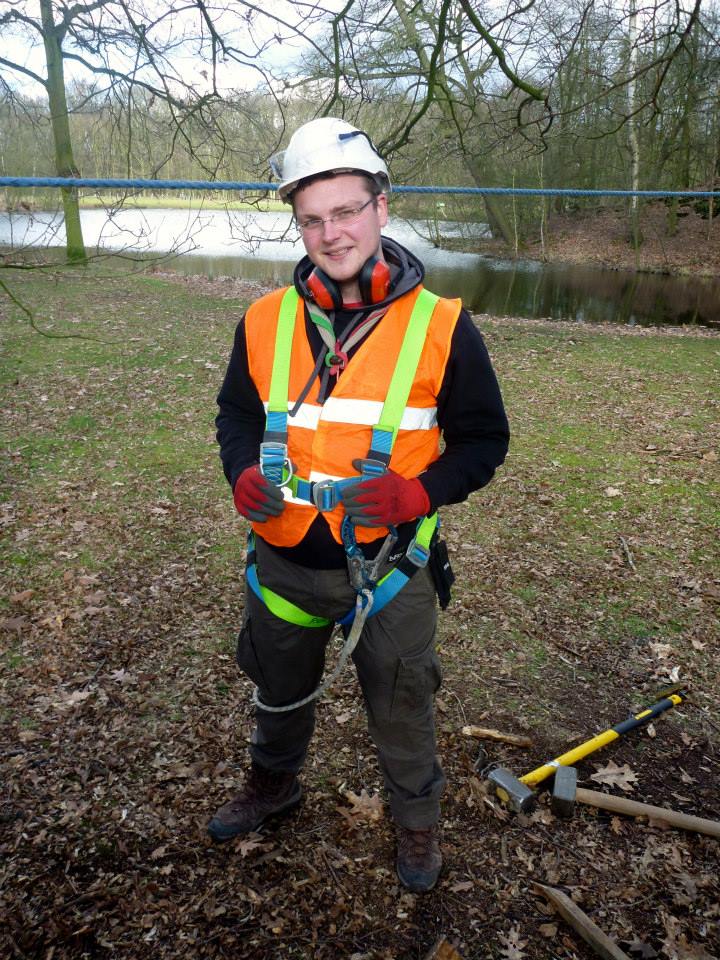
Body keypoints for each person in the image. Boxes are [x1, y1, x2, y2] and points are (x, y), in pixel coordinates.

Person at [209, 117, 509, 893]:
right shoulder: (264, 320)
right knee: (278, 689)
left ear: (381, 206)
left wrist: (419, 492)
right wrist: (240, 469)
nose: (331, 233)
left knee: (402, 701)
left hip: (391, 569)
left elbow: (485, 440)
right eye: (312, 219)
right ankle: (274, 784)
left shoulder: (442, 326)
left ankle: (417, 819)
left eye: (346, 211)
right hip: (282, 561)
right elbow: (236, 414)